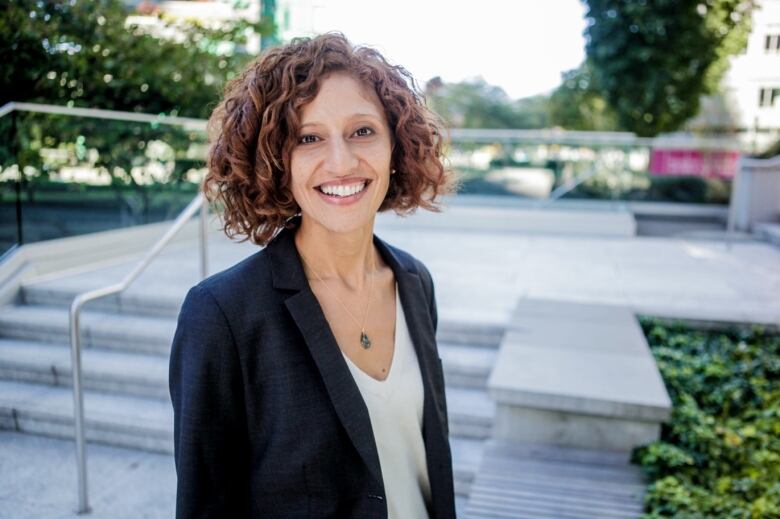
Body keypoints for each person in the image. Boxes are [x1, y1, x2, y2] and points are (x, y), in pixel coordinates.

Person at [169, 32, 459, 519]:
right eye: (308, 138)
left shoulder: (414, 281)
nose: (341, 162)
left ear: (396, 145)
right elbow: (206, 505)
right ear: (275, 161)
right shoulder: (222, 315)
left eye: (362, 131)